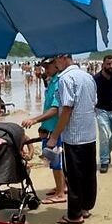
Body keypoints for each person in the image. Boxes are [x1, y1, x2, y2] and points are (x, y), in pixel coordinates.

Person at [47, 55, 97, 224]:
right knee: (89, 173)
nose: (55, 65)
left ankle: (75, 214)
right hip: (89, 132)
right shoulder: (88, 77)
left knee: (75, 176)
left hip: (74, 135)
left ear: (62, 59)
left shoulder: (66, 78)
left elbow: (66, 109)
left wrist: (54, 136)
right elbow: (93, 102)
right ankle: (86, 207)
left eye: (55, 62)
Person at [22, 58, 67, 204]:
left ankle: (61, 193)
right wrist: (43, 126)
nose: (45, 69)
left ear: (56, 65)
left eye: (48, 66)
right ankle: (61, 187)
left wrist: (35, 120)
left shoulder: (59, 82)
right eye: (44, 67)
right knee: (52, 160)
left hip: (56, 129)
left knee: (56, 161)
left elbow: (54, 109)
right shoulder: (51, 81)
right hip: (49, 128)